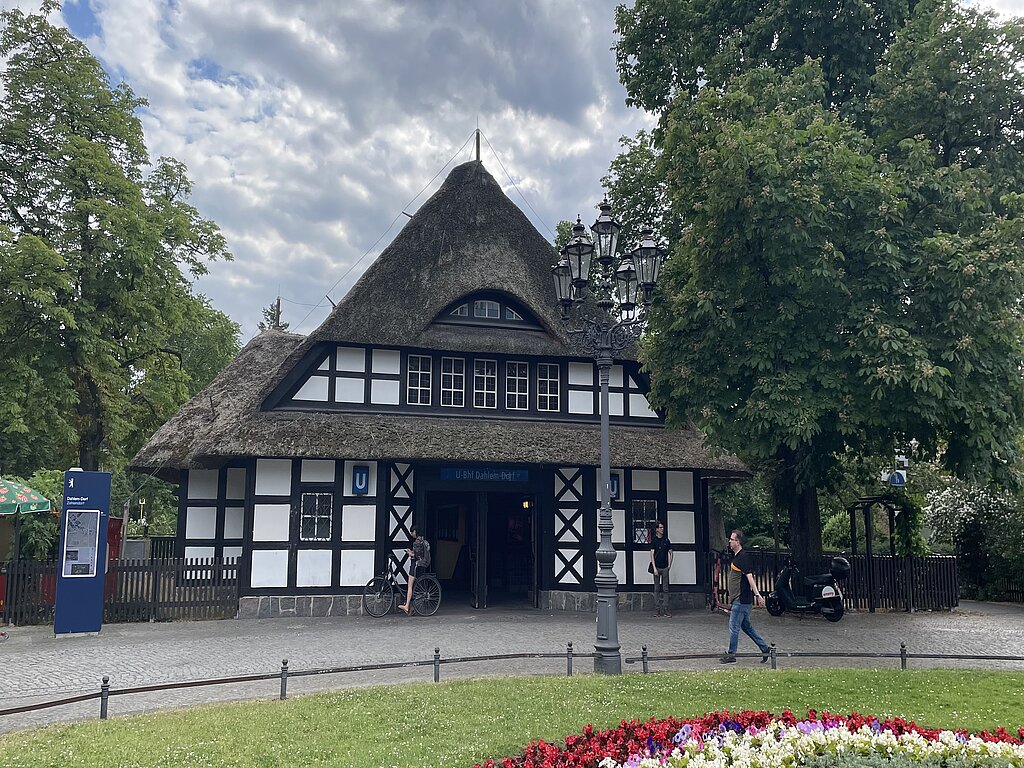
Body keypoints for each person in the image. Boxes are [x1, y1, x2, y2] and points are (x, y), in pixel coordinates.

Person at [720, 529, 771, 664]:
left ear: (738, 542)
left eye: (731, 539)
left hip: (741, 600)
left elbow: (750, 578)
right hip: (740, 600)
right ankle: (765, 648)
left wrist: (758, 595)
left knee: (733, 626)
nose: (729, 541)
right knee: (747, 627)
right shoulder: (738, 557)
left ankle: (731, 655)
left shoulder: (743, 557)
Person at [398, 526, 430, 615]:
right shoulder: (422, 540)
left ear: (415, 531)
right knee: (413, 586)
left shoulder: (417, 542)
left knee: (410, 586)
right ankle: (411, 609)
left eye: (412, 532)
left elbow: (416, 556)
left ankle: (407, 606)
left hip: (415, 565)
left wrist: (409, 553)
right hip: (419, 565)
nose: (411, 534)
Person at [649, 522, 673, 617]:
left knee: (666, 588)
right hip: (657, 567)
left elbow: (670, 552)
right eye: (661, 527)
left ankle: (666, 608)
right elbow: (652, 554)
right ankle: (657, 608)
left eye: (663, 527)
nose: (662, 529)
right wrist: (654, 568)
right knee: (657, 588)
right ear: (657, 529)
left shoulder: (666, 540)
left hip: (665, 567)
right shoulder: (654, 541)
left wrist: (669, 565)